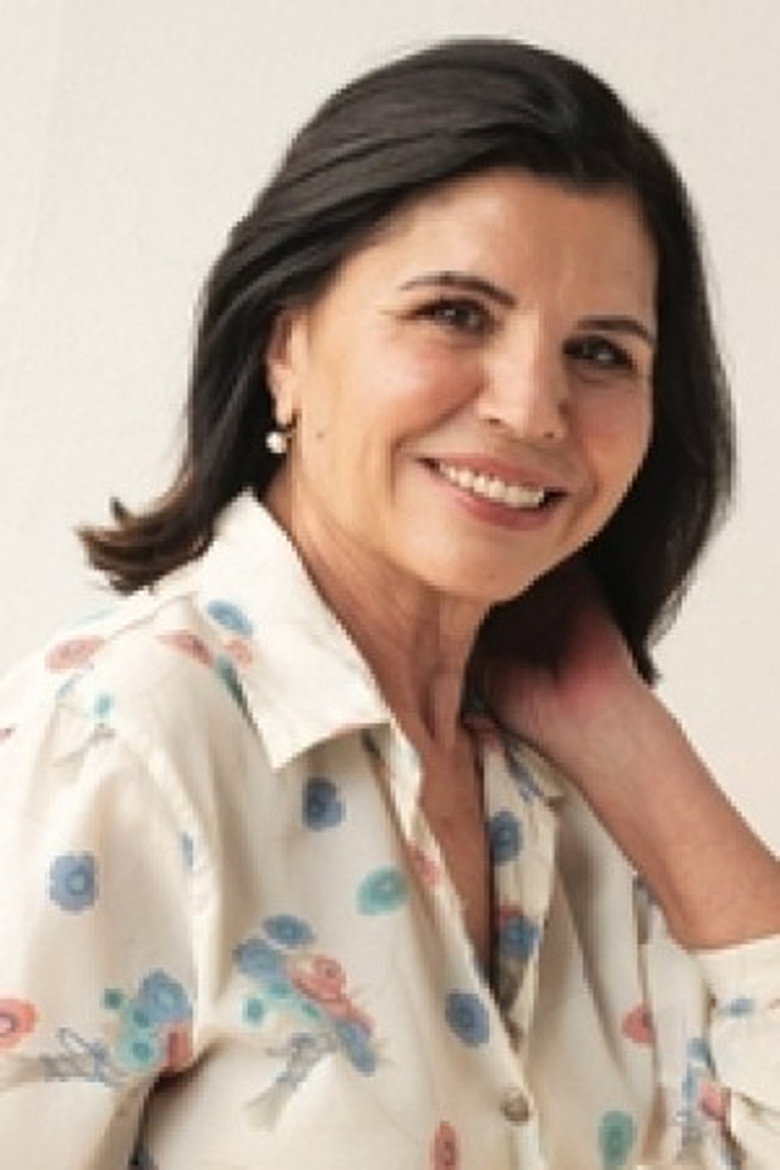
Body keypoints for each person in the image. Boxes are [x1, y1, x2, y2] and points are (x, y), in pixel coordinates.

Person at [0, 37, 778, 1170]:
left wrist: (637, 751)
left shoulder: (580, 796)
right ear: (286, 345)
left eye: (601, 351)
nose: (534, 407)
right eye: (456, 313)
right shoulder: (124, 748)